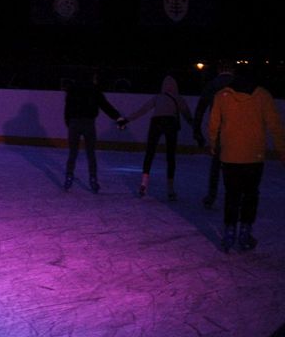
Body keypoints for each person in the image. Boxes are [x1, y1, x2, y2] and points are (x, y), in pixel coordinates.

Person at [208, 64, 285, 252]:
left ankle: (229, 233)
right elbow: (275, 126)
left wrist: (213, 145)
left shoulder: (221, 96)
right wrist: (282, 151)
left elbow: (213, 125)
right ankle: (244, 232)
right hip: (254, 156)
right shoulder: (263, 96)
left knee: (232, 195)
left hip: (229, 156)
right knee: (250, 195)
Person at [118, 74, 193, 200]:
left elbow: (142, 110)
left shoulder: (158, 97)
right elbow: (187, 116)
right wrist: (197, 129)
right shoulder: (178, 98)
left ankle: (144, 183)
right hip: (170, 123)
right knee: (170, 156)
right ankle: (170, 189)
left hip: (156, 122)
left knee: (150, 153)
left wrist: (127, 119)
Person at [62, 71, 125, 193]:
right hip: (88, 124)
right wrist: (117, 117)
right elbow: (105, 106)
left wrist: (69, 123)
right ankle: (93, 179)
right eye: (95, 77)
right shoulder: (94, 90)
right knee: (90, 153)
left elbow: (67, 109)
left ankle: (69, 177)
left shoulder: (72, 89)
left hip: (74, 123)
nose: (96, 79)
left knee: (73, 153)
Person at [192, 60, 234, 208]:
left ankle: (212, 195)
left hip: (219, 130)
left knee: (216, 164)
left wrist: (197, 131)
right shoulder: (239, 84)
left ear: (218, 70)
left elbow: (200, 109)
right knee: (235, 164)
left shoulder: (212, 85)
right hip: (237, 130)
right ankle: (235, 195)